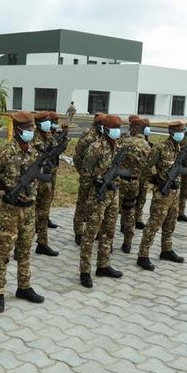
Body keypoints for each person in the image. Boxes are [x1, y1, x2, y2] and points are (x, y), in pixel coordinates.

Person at [0, 111, 45, 313]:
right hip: (10, 210)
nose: (31, 131)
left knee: (24, 250)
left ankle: (24, 286)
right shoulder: (5, 152)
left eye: (33, 128)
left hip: (29, 210)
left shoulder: (35, 153)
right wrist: (6, 188)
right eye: (28, 128)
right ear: (19, 129)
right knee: (3, 251)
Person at [78, 114, 126, 287]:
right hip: (97, 195)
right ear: (106, 129)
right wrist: (86, 198)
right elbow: (85, 175)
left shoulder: (119, 146)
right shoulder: (96, 148)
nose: (117, 131)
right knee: (90, 234)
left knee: (109, 231)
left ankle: (103, 265)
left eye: (119, 128)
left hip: (113, 195)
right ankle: (84, 271)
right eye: (115, 128)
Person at [136, 121, 187, 271]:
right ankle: (143, 255)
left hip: (174, 193)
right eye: (180, 131)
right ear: (171, 132)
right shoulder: (160, 148)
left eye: (183, 131)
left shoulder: (180, 148)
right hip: (162, 193)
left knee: (170, 222)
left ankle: (166, 249)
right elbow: (145, 167)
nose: (182, 133)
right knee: (154, 224)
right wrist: (156, 179)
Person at [119, 118, 151, 253]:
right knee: (130, 210)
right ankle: (127, 242)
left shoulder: (122, 142)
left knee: (112, 211)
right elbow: (149, 167)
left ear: (132, 128)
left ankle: (104, 240)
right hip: (135, 182)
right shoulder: (146, 145)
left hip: (120, 181)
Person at [72, 112, 105, 245]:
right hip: (87, 176)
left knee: (95, 206)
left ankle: (94, 231)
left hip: (99, 177)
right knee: (82, 204)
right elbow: (77, 156)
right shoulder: (89, 136)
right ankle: (79, 233)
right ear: (98, 125)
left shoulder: (102, 136)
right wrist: (82, 172)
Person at [32, 111, 59, 256]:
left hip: (46, 180)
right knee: (30, 216)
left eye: (49, 121)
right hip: (35, 181)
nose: (49, 124)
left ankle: (42, 244)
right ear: (38, 124)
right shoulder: (32, 139)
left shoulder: (49, 136)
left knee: (44, 214)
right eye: (46, 121)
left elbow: (55, 149)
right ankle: (20, 247)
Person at [134, 118, 154, 229]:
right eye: (147, 126)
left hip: (144, 175)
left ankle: (138, 218)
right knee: (133, 198)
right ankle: (129, 221)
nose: (148, 128)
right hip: (136, 174)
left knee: (142, 198)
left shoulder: (146, 139)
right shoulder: (138, 140)